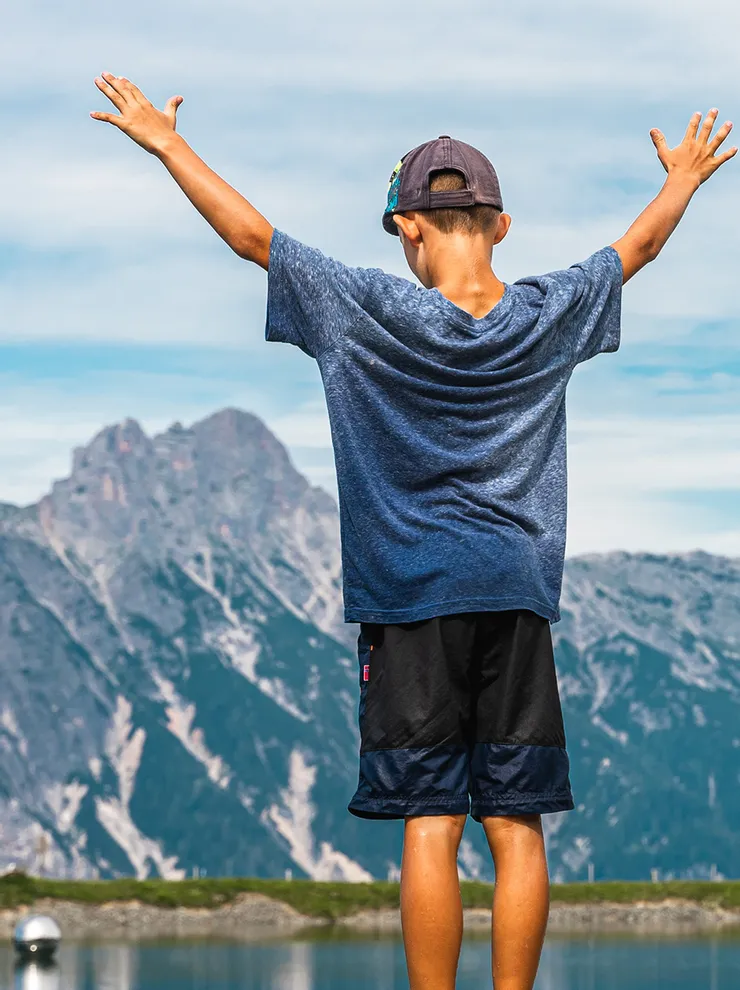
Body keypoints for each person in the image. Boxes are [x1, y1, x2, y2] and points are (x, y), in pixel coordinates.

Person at [91, 75, 735, 990]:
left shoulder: (363, 309)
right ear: (501, 225)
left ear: (407, 227)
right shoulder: (548, 315)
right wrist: (684, 178)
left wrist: (166, 145)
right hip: (514, 591)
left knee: (428, 820)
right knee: (517, 824)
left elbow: (251, 238)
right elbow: (637, 248)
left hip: (409, 598)